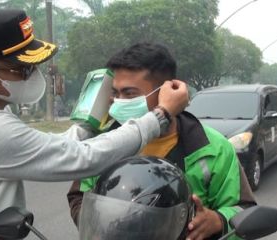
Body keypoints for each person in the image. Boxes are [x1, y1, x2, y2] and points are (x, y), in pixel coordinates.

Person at [0, 11, 188, 240]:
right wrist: (160, 115)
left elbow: (58, 144)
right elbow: (83, 158)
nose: (32, 76)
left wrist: (93, 122)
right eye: (22, 70)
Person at [67, 42, 256, 240]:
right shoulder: (101, 144)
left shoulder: (213, 149)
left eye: (130, 93)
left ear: (169, 91)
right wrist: (97, 225)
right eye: (115, 93)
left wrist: (218, 221)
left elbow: (245, 209)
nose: (119, 102)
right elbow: (78, 197)